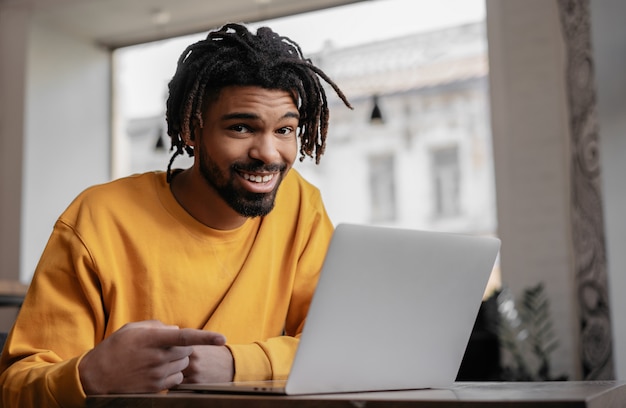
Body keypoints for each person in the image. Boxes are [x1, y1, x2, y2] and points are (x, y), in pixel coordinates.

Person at [0, 22, 351, 407]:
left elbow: (338, 343)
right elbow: (15, 387)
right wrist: (90, 376)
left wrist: (236, 364)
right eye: (240, 127)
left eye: (285, 130)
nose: (269, 153)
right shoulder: (98, 218)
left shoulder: (301, 205)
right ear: (191, 130)